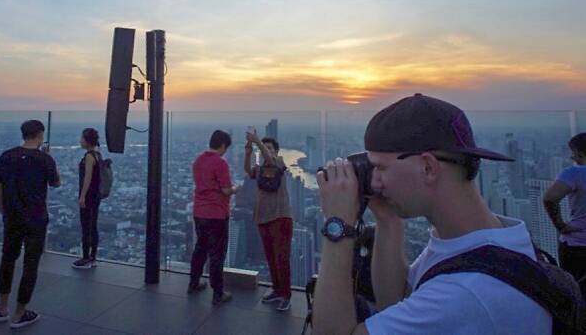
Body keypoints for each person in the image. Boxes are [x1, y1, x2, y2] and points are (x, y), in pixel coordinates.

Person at [312, 93, 552, 335]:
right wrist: (388, 219)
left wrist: (338, 225)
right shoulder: (486, 240)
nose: (374, 181)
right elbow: (395, 302)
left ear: (428, 168)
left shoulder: (466, 291)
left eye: (380, 167)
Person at [0, 120, 60, 330]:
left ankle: (2, 308)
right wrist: (49, 157)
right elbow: (56, 183)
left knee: (8, 259)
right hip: (36, 218)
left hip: (12, 217)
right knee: (31, 264)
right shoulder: (44, 159)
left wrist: (4, 212)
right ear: (39, 135)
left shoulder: (6, 156)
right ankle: (20, 313)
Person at [243, 131, 293, 311]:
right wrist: (248, 151)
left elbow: (271, 159)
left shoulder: (279, 163)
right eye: (266, 148)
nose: (267, 151)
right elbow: (248, 171)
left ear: (276, 151)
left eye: (270, 148)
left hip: (280, 217)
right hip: (263, 217)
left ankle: (286, 294)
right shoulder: (261, 169)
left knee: (282, 258)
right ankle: (277, 290)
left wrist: (257, 141)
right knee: (271, 258)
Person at [188, 129, 238, 306]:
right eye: (226, 148)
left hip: (199, 213)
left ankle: (193, 283)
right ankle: (218, 293)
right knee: (217, 254)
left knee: (200, 249)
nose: (226, 151)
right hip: (216, 214)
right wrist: (235, 189)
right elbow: (225, 190)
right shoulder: (220, 163)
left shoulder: (198, 161)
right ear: (223, 145)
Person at [544, 132, 586, 299]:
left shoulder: (575, 173)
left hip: (578, 246)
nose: (572, 157)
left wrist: (560, 225)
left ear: (580, 154)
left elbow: (549, 198)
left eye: (574, 153)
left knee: (575, 296)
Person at [72, 128, 102, 270]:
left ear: (87, 141)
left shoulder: (89, 156)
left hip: (89, 196)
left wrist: (82, 196)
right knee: (93, 226)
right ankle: (93, 257)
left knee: (86, 226)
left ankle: (85, 258)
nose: (80, 140)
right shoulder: (97, 154)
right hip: (96, 196)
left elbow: (87, 178)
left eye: (82, 138)